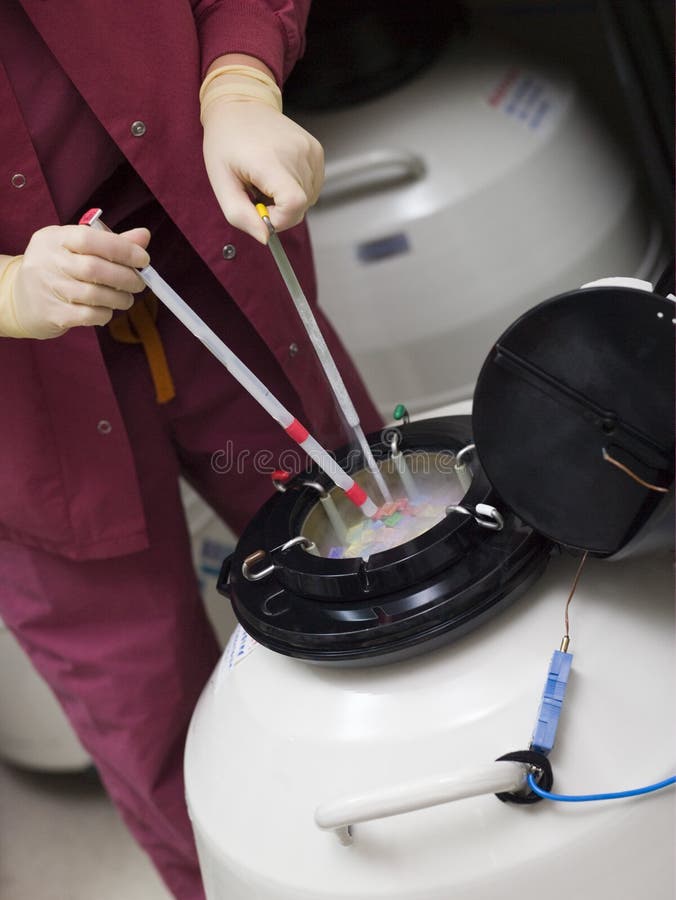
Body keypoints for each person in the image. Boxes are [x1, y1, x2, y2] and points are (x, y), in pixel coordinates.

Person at [0, 3, 381, 899]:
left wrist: (240, 85)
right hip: (23, 407)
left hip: (207, 253)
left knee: (376, 565)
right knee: (154, 718)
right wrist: (11, 290)